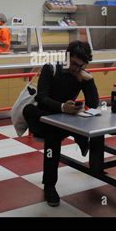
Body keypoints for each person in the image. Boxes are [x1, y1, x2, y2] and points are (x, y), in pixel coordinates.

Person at [23, 41, 99, 207]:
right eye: (74, 64)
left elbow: (93, 104)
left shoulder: (80, 75)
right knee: (31, 111)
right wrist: (62, 107)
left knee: (56, 132)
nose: (76, 68)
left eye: (81, 66)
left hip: (64, 120)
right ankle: (50, 186)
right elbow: (41, 97)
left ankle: (49, 185)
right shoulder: (50, 68)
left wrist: (89, 80)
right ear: (66, 57)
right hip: (44, 118)